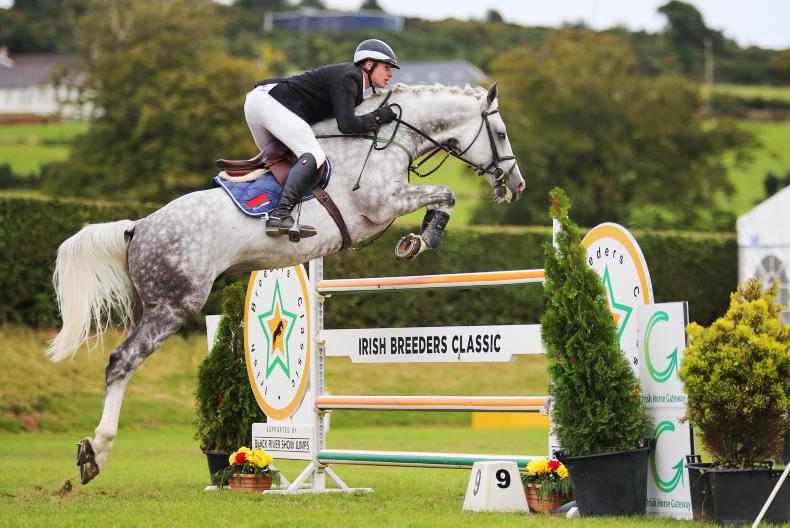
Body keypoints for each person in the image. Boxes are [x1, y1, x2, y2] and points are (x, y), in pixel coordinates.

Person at [244, 38, 400, 238]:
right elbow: (347, 125)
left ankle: (258, 210)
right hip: (272, 100)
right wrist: (378, 117)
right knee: (314, 155)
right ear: (369, 65)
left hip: (261, 101)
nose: (390, 74)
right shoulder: (351, 76)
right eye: (386, 67)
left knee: (280, 162)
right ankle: (279, 215)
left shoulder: (351, 81)